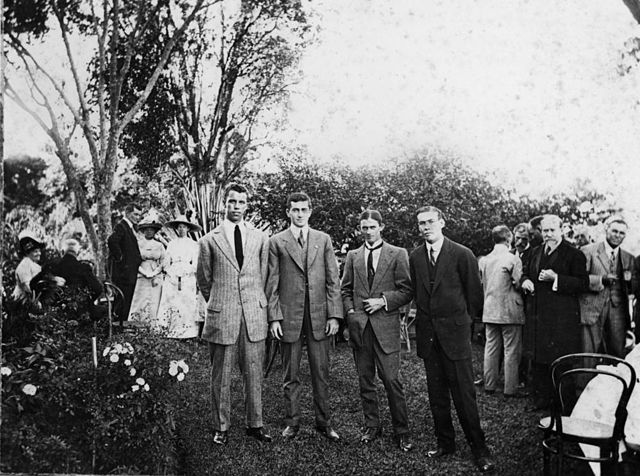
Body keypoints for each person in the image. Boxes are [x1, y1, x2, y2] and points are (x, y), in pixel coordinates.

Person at [408, 206, 495, 472]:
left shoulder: (461, 253)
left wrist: (461, 325)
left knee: (464, 396)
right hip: (429, 338)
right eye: (421, 223)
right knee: (437, 396)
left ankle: (480, 449)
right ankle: (446, 443)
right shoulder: (416, 256)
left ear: (442, 223)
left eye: (430, 222)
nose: (425, 227)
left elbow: (474, 296)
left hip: (455, 337)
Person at [196, 183, 272, 445]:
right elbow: (204, 280)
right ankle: (221, 426)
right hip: (223, 314)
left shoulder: (261, 238)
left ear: (246, 205)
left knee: (254, 371)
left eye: (241, 202)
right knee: (221, 374)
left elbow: (264, 275)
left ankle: (256, 423)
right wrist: (220, 301)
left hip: (253, 314)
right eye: (232, 202)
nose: (236, 207)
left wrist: (255, 302)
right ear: (224, 205)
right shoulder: (209, 240)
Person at [266, 192, 343, 441]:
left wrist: (334, 316)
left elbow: (333, 281)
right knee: (291, 373)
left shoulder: (323, 239)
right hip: (289, 316)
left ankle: (324, 422)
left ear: (310, 211)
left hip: (319, 316)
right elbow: (273, 283)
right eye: (295, 210)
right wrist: (275, 317)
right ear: (288, 212)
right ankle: (292, 421)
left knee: (321, 371)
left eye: (304, 209)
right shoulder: (277, 241)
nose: (300, 214)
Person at [340, 210, 413, 450]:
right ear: (360, 229)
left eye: (372, 227)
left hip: (386, 327)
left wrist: (383, 301)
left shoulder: (398, 254)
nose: (368, 232)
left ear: (381, 227)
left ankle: (401, 430)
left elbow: (407, 290)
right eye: (364, 228)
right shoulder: (353, 256)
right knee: (365, 380)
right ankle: (372, 425)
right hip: (360, 328)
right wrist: (351, 312)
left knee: (392, 380)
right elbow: (346, 290)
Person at [521, 214, 588, 409]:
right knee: (539, 360)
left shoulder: (574, 254)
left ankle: (561, 403)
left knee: (560, 361)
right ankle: (541, 399)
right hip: (538, 315)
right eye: (545, 231)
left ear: (561, 230)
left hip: (561, 319)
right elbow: (526, 272)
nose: (548, 234)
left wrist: (556, 278)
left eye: (552, 230)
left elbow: (582, 283)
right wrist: (525, 281)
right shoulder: (535, 252)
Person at [479, 225, 526, 398]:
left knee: (491, 348)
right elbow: (519, 283)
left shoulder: (484, 260)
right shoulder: (513, 259)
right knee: (511, 350)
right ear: (509, 239)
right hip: (510, 310)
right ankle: (510, 389)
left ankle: (489, 385)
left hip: (490, 309)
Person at [579, 217, 635, 358]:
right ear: (606, 229)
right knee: (588, 354)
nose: (617, 235)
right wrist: (600, 279)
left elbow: (631, 288)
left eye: (622, 233)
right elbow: (579, 279)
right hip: (591, 309)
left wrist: (629, 282)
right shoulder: (588, 251)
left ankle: (615, 380)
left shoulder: (628, 257)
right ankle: (586, 381)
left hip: (617, 311)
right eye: (614, 231)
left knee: (617, 354)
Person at [156, 215, 202, 339]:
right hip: (173, 276)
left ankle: (188, 332)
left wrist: (187, 271)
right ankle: (172, 331)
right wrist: (170, 272)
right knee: (172, 302)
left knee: (187, 302)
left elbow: (196, 263)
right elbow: (166, 262)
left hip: (188, 276)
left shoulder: (193, 244)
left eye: (184, 227)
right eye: (179, 227)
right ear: (176, 229)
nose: (181, 229)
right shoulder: (171, 244)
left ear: (188, 229)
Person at [107, 203, 143, 322]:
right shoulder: (122, 226)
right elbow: (112, 241)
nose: (137, 217)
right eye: (135, 214)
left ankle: (120, 329)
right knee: (121, 303)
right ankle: (116, 330)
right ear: (127, 213)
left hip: (129, 273)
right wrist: (120, 259)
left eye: (139, 215)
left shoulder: (130, 228)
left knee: (126, 303)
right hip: (123, 274)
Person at [128, 217, 165, 326]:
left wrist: (155, 272)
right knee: (140, 299)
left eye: (152, 230)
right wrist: (144, 272)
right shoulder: (138, 244)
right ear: (143, 231)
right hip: (141, 273)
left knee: (154, 300)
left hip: (155, 275)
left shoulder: (159, 245)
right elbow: (133, 260)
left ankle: (153, 326)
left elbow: (164, 261)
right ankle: (137, 324)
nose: (149, 232)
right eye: (147, 229)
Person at [12, 231, 45, 301]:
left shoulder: (34, 265)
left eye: (39, 251)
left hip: (33, 300)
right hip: (23, 301)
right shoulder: (24, 265)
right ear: (27, 252)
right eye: (35, 251)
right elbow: (27, 287)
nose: (39, 253)